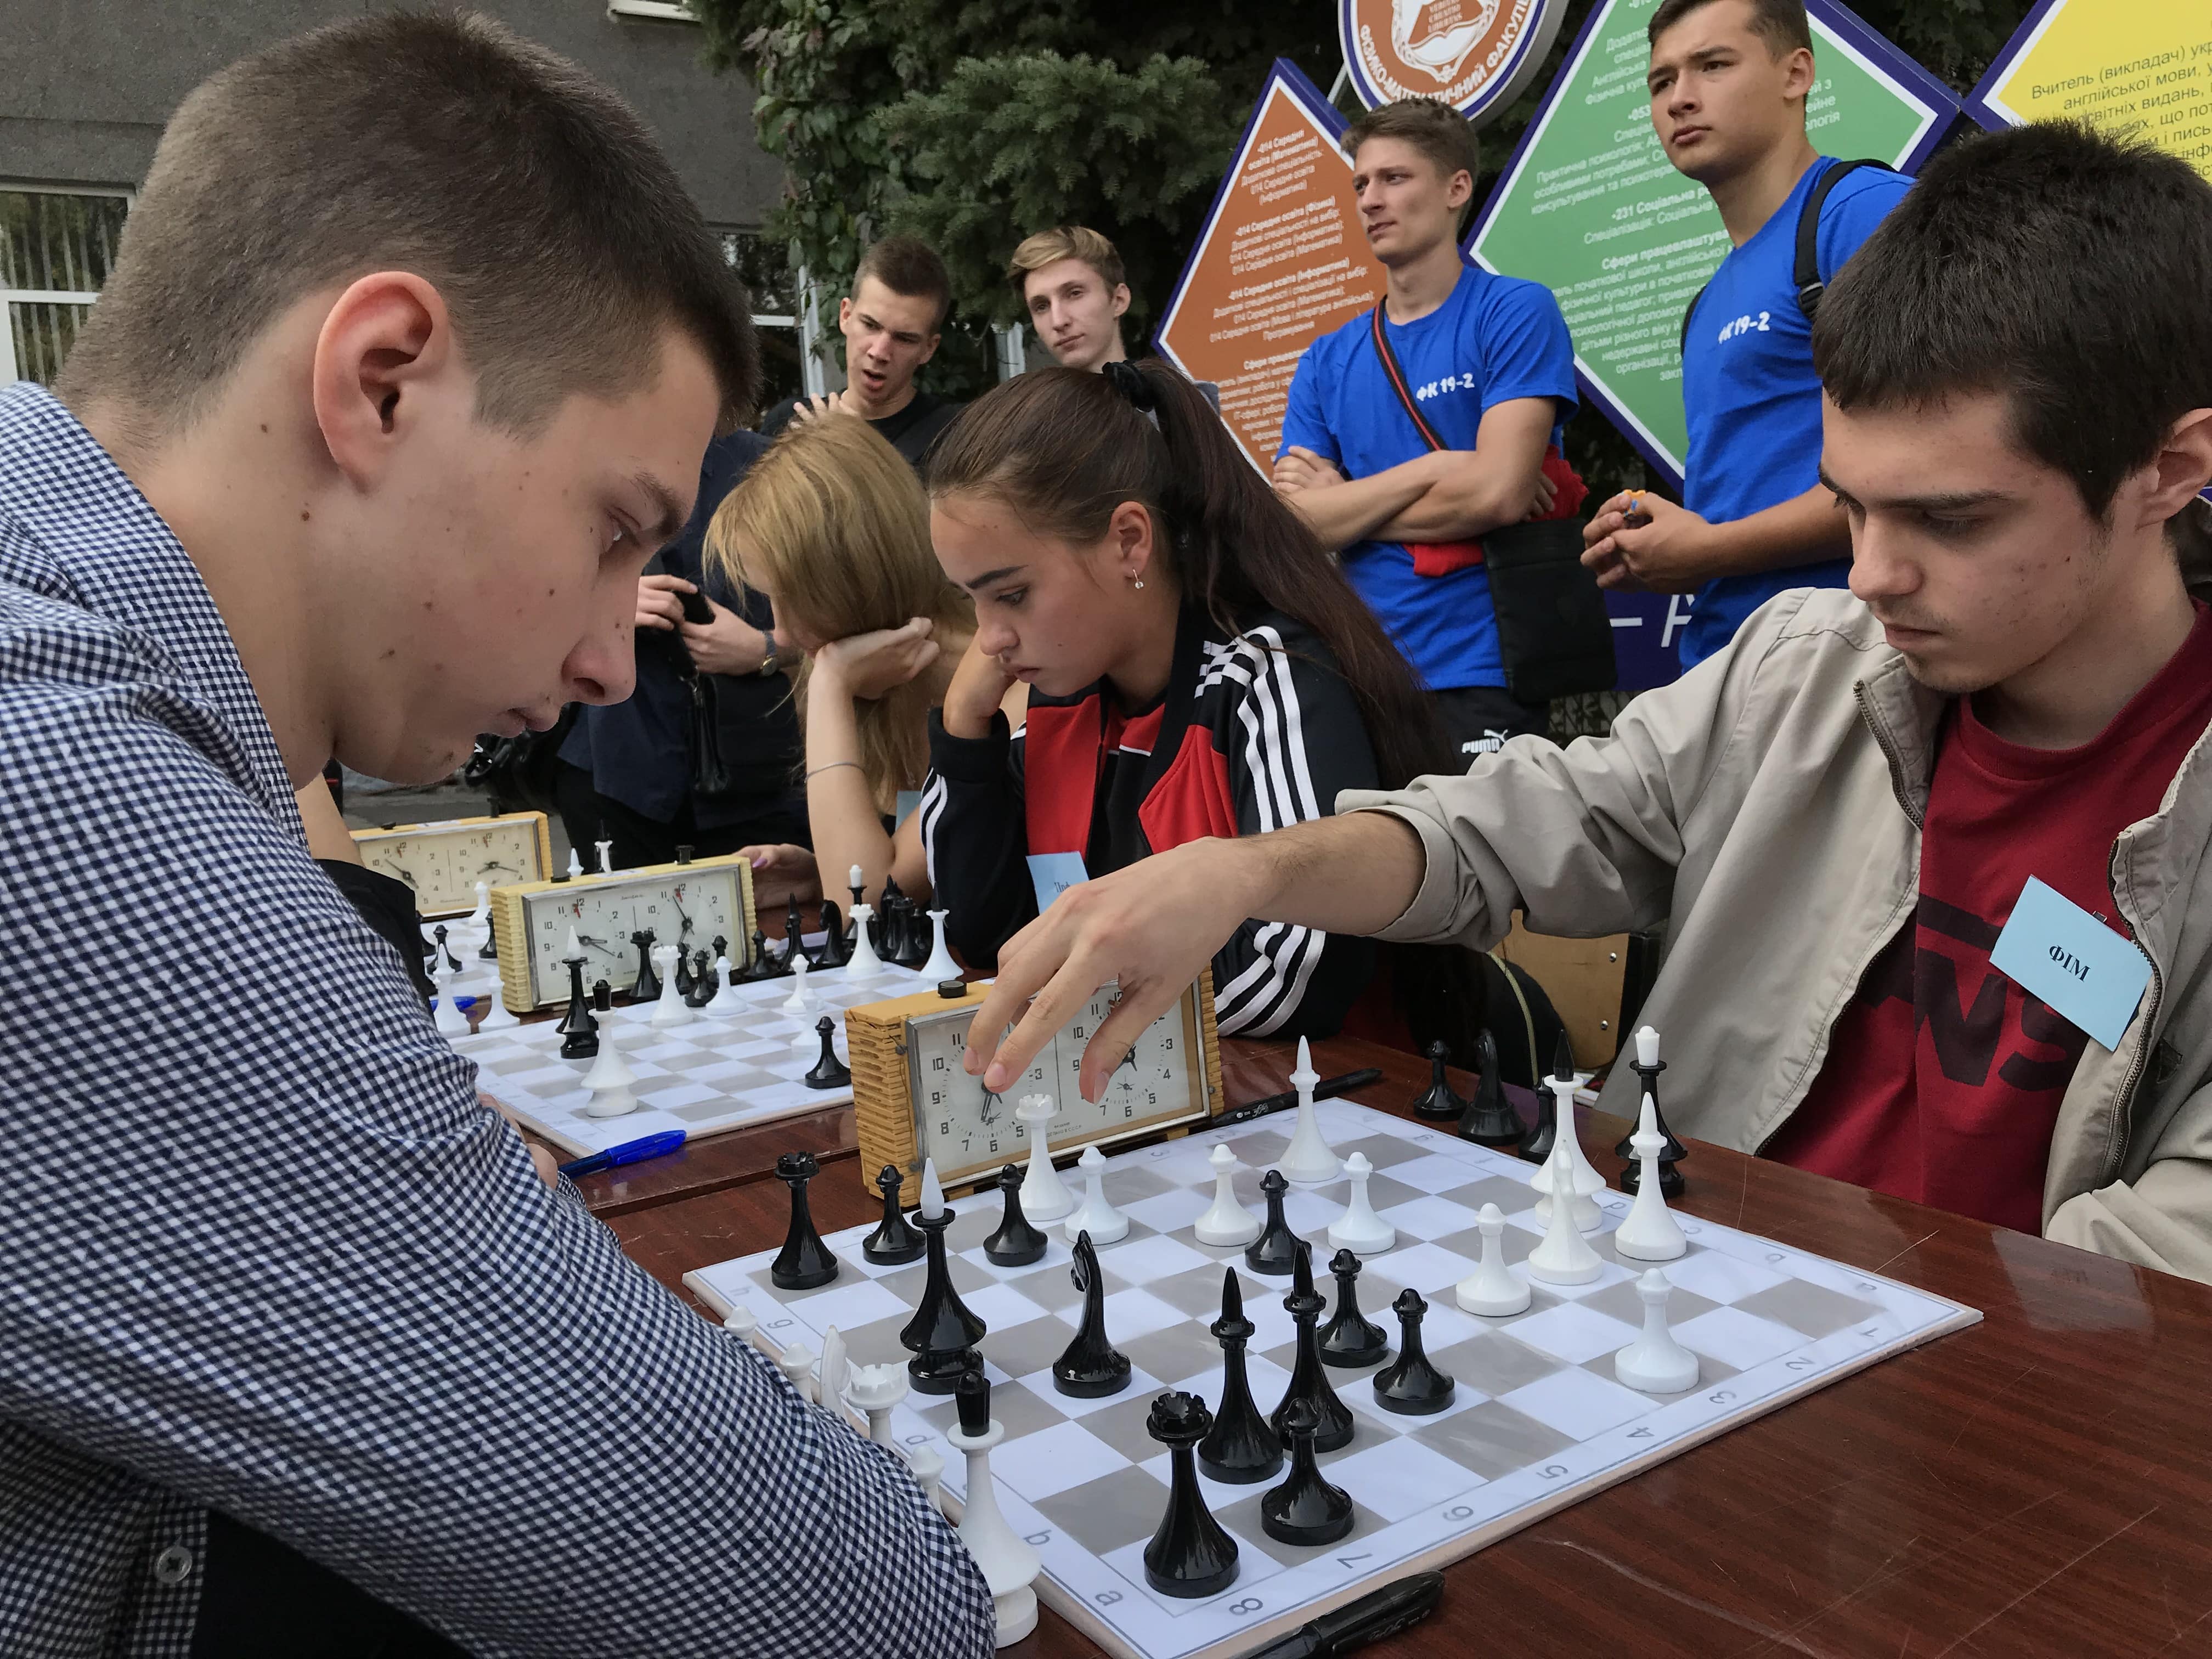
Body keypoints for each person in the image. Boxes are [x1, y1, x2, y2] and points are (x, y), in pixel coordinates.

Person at [0, 15, 994, 1656]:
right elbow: (855, 1605)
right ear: (382, 380)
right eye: (615, 532)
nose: (611, 656)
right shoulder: (71, 793)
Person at [950, 123, 2212, 1284]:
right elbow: (1514, 822)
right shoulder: (1803, 668)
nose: (1872, 573)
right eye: (1850, 504)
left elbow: (2155, 1278)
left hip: (1974, 1402)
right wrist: (1245, 871)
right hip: (1678, 1311)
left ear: (2169, 470)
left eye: (1950, 519)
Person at [921, 357, 1475, 1042]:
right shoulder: (1059, 698)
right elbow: (981, 935)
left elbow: (1295, 978)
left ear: (1129, 541)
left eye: (1011, 594)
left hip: (1342, 1089)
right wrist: (964, 734)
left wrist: (1076, 1007)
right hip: (1162, 1080)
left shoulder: (1264, 675)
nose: (990, 639)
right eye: (970, 600)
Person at [1580, 0, 1912, 670]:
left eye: (1712, 65)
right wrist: (1657, 539)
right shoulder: (1705, 304)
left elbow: (1923, 469)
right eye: (1662, 81)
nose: (1680, 98)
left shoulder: (1863, 212)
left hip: (1849, 662)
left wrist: (1706, 551)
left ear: (1797, 74)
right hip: (1723, 667)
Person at [1272, 96, 1584, 759]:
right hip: (1360, 674)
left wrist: (1348, 505)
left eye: (1394, 178)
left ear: (1456, 188)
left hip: (1487, 667)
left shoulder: (1514, 311)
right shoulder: (1326, 358)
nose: (1371, 200)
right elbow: (1294, 528)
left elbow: (1499, 494)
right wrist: (1440, 468)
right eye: (1361, 183)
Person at [703, 412, 1019, 910]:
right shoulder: (877, 690)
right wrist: (820, 873)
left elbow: (863, 904)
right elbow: (907, 878)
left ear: (853, 580)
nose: (781, 632)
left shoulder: (1014, 684)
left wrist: (830, 683)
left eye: (791, 598)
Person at [554, 428, 809, 871]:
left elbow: (856, 622)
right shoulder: (570, 460)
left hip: (758, 777)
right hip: (616, 768)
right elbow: (512, 595)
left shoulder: (774, 466)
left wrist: (765, 649)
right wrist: (600, 601)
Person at [759, 234, 963, 468]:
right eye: (870, 325)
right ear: (845, 316)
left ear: (929, 348)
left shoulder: (954, 437)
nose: (879, 352)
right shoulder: (789, 423)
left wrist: (853, 452)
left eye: (904, 339)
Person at [1010, 225, 1131, 372]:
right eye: (1041, 306)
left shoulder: (1156, 385)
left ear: (1119, 300)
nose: (1058, 322)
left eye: (1075, 294)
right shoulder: (1027, 389)